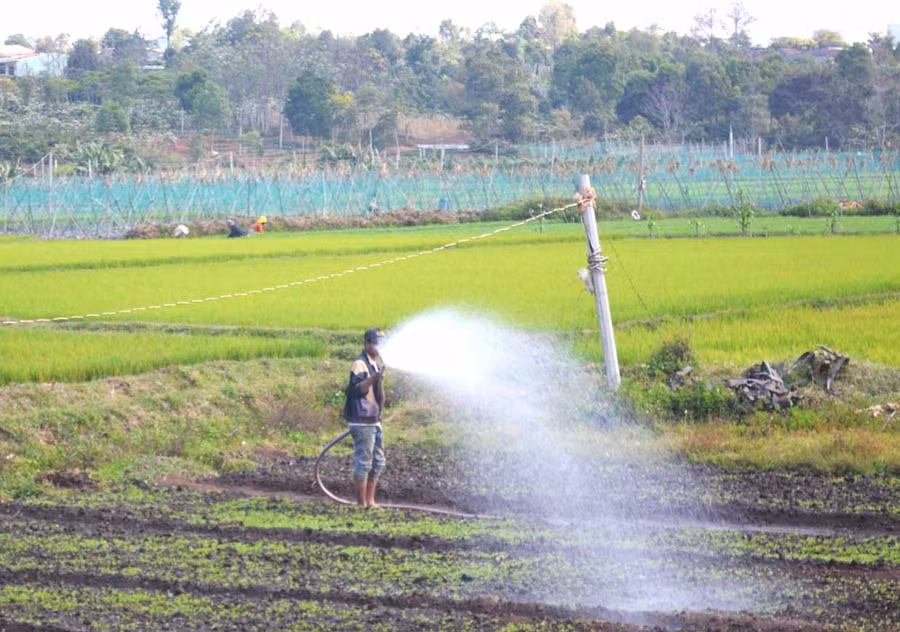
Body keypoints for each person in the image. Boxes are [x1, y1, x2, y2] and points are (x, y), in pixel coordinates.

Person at [342, 327, 387, 508]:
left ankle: (371, 501)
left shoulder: (375, 365)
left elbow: (381, 399)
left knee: (378, 462)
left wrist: (379, 379)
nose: (379, 348)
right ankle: (362, 503)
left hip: (374, 421)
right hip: (362, 421)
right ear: (367, 344)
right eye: (376, 344)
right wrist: (374, 378)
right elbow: (356, 390)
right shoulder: (359, 364)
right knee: (364, 463)